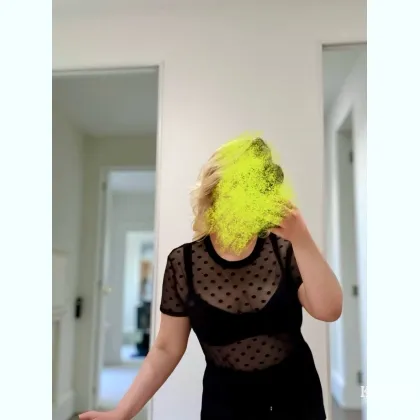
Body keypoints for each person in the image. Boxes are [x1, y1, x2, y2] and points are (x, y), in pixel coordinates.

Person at [80, 137, 342, 420]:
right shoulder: (183, 263)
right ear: (214, 194)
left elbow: (328, 311)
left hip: (297, 400)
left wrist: (301, 238)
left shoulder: (286, 248)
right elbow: (167, 348)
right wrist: (122, 412)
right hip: (225, 406)